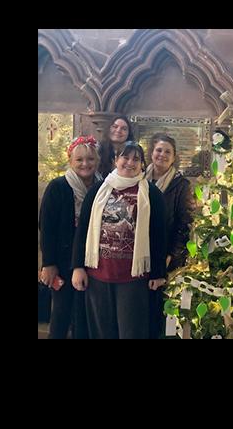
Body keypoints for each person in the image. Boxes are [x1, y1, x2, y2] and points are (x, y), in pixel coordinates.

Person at [71, 141, 167, 339]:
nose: (130, 162)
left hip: (133, 279)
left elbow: (160, 235)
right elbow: (83, 231)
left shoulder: (152, 194)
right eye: (125, 157)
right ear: (116, 160)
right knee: (101, 332)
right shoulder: (98, 190)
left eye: (136, 159)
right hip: (98, 274)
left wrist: (158, 273)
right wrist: (78, 267)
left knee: (131, 332)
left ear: (142, 164)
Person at [38, 136, 101, 339]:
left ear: (97, 160)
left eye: (90, 159)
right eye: (79, 160)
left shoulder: (102, 187)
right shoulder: (58, 187)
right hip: (63, 263)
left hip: (92, 262)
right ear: (70, 161)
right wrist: (48, 264)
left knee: (84, 316)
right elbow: (47, 228)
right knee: (61, 315)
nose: (85, 164)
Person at [144, 133, 195, 338]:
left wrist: (171, 255)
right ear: (151, 153)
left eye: (167, 152)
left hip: (166, 256)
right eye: (158, 150)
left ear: (174, 157)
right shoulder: (140, 179)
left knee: (163, 308)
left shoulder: (181, 185)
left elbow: (185, 224)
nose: (162, 155)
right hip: (141, 253)